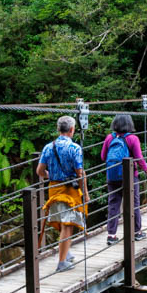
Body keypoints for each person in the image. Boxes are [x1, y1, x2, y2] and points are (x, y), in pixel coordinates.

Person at [37, 116, 88, 272]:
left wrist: (51, 175)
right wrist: (85, 193)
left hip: (54, 188)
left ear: (58, 129)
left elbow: (39, 171)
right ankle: (62, 263)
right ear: (72, 129)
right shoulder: (74, 148)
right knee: (68, 224)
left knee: (62, 220)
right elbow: (80, 173)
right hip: (69, 191)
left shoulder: (48, 147)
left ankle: (65, 252)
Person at [101, 114, 147, 245]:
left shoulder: (109, 138)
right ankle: (137, 232)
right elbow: (138, 158)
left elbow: (103, 156)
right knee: (134, 203)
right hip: (129, 177)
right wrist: (145, 168)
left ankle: (111, 235)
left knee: (113, 204)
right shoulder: (132, 138)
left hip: (112, 176)